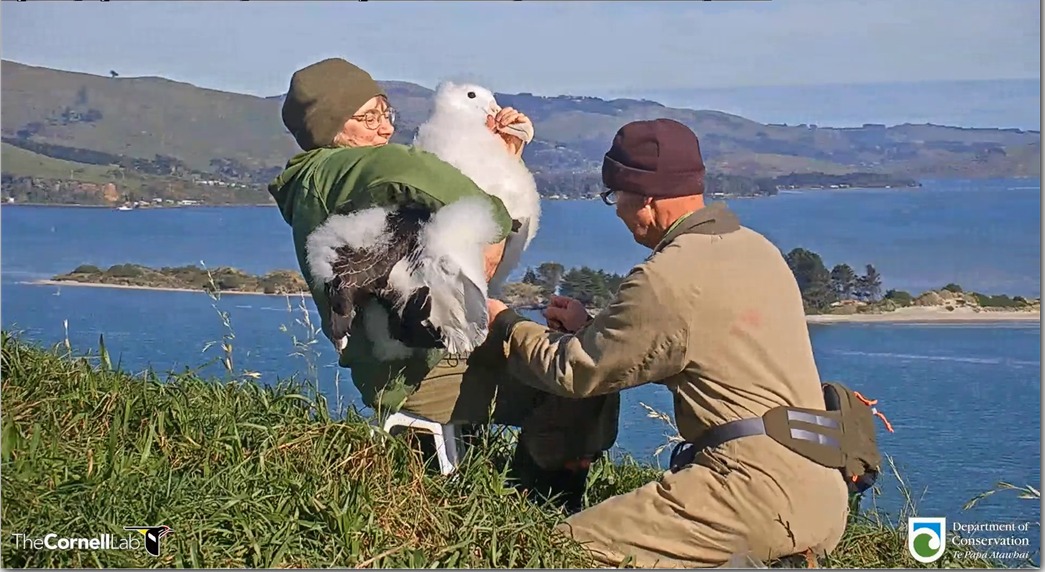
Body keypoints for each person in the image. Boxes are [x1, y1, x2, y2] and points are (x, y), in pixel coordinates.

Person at [485, 118, 851, 567]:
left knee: (555, 552)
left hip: (750, 493)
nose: (617, 210)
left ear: (647, 197)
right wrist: (593, 324)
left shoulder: (669, 276)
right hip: (822, 495)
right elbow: (693, 344)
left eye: (616, 196)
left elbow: (577, 370)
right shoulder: (757, 250)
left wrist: (505, 323)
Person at [267, 57, 620, 512]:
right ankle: (540, 507)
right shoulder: (337, 169)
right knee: (579, 379)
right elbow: (406, 172)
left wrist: (501, 160)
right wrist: (494, 216)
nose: (383, 128)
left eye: (385, 112)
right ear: (329, 126)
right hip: (415, 373)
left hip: (431, 352)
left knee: (574, 361)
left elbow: (432, 235)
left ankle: (530, 492)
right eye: (366, 117)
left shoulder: (335, 179)